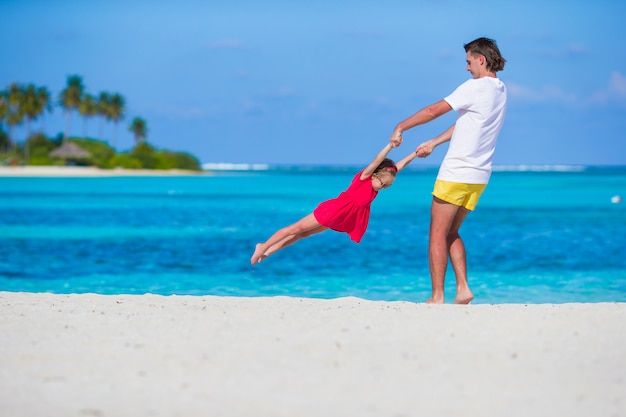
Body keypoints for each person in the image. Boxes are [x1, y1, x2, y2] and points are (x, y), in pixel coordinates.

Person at [389, 37, 508, 304]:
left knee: (436, 235)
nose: (466, 68)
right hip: (479, 176)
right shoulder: (500, 90)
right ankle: (463, 288)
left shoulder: (475, 88)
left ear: (481, 59)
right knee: (451, 233)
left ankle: (437, 296)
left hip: (456, 173)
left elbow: (433, 110)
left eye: (468, 62)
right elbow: (467, 123)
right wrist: (434, 141)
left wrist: (401, 126)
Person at [251, 143, 418, 265]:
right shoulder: (364, 178)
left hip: (340, 217)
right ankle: (263, 245)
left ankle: (268, 252)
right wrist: (390, 145)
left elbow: (398, 167)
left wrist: (415, 154)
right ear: (375, 175)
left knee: (303, 235)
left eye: (387, 186)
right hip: (332, 210)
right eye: (382, 183)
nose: (383, 187)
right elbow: (376, 161)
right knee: (295, 229)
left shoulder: (378, 185)